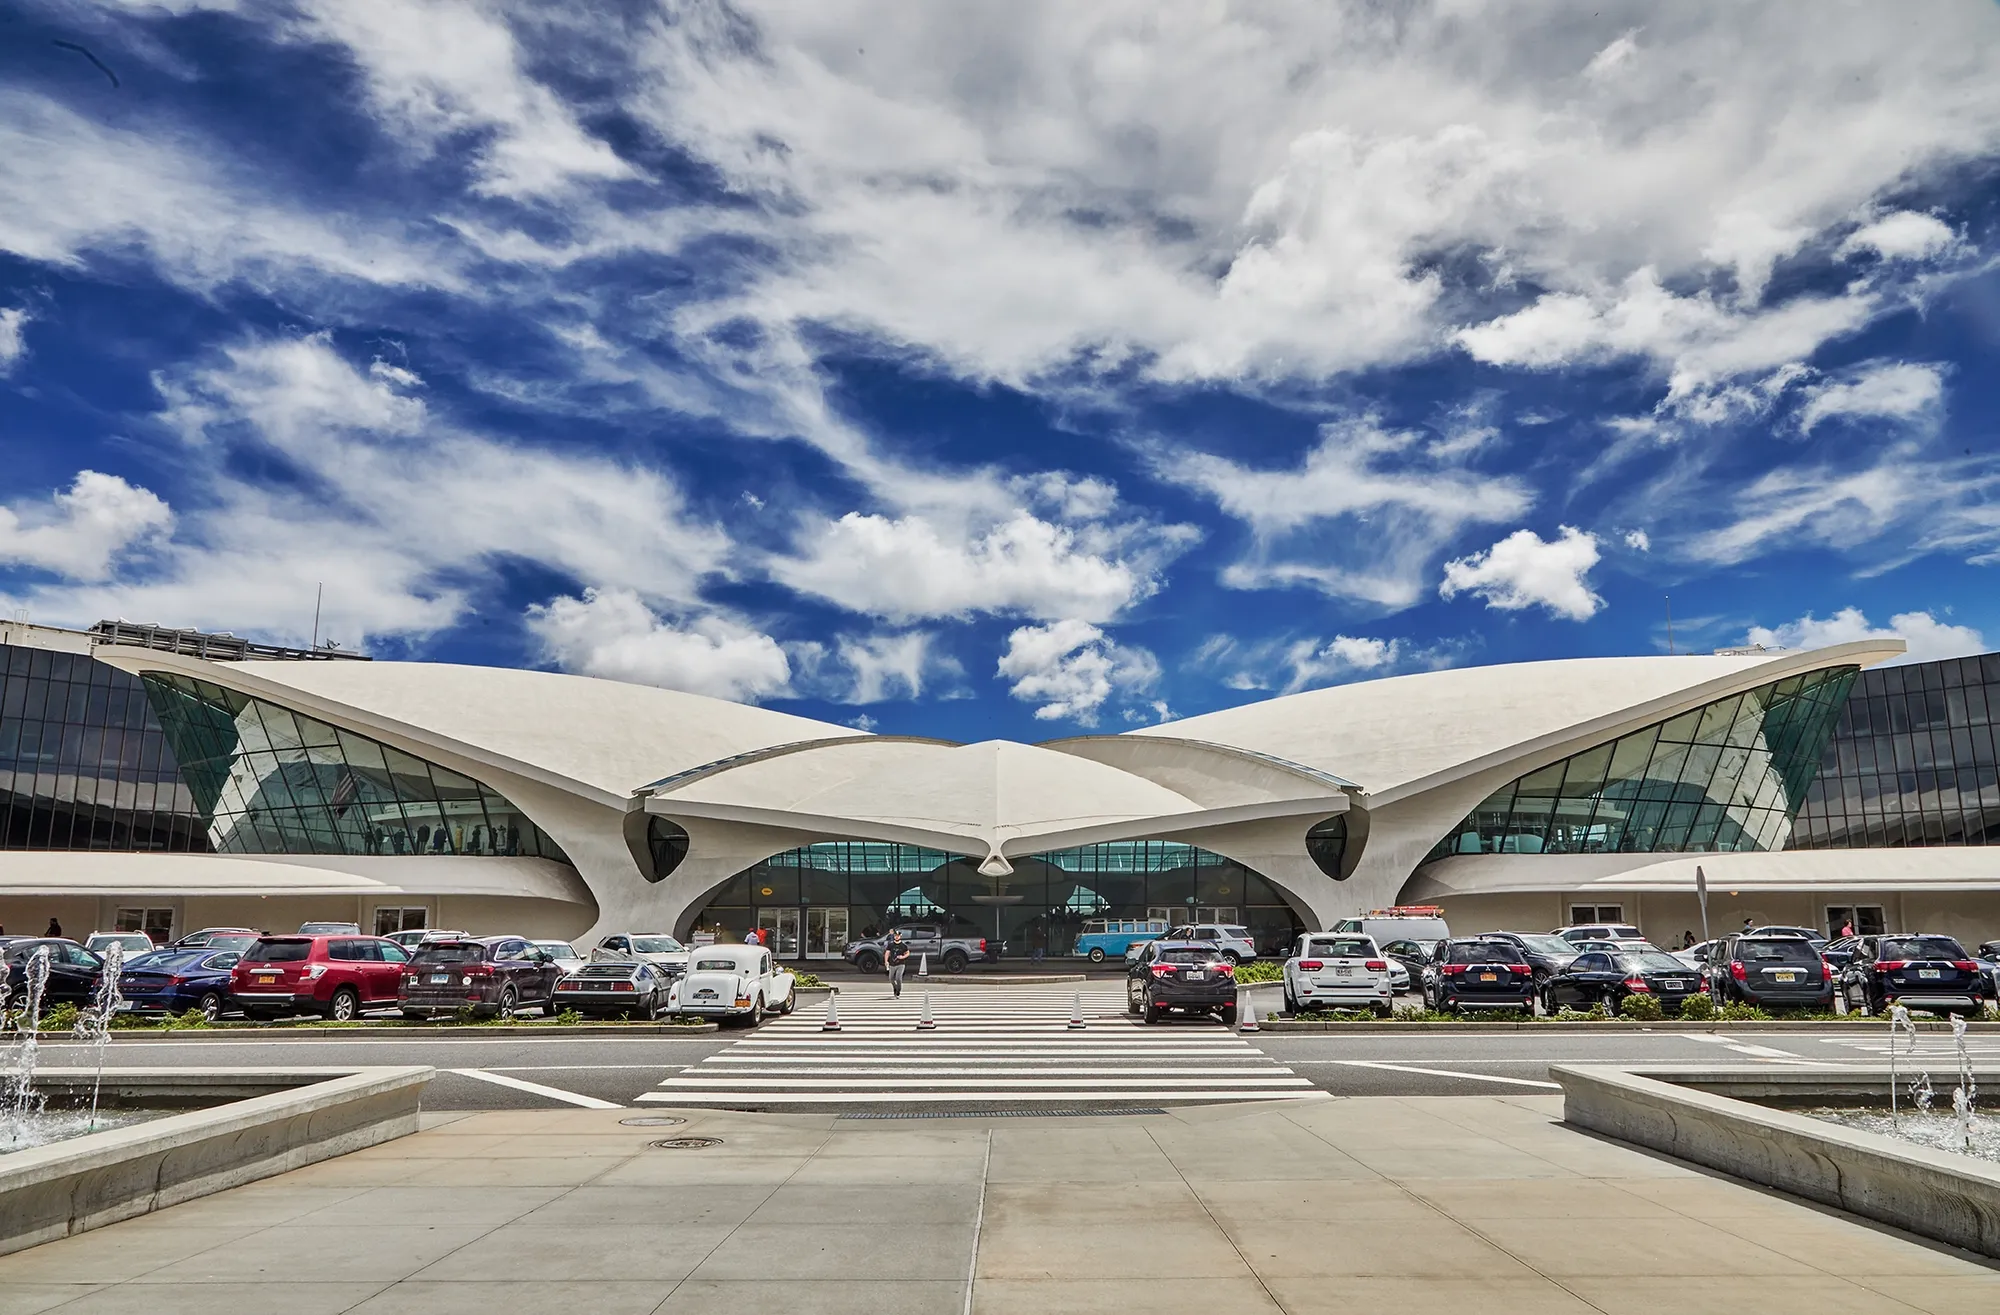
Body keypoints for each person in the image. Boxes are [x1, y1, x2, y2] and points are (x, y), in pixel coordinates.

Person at [885, 928, 910, 999]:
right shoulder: (890, 945)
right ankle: (895, 988)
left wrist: (902, 957)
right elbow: (887, 953)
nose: (896, 937)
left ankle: (898, 990)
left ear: (900, 936)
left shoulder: (903, 945)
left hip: (901, 964)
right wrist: (886, 961)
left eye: (898, 936)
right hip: (892, 964)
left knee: (898, 978)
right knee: (891, 978)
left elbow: (907, 953)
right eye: (895, 935)